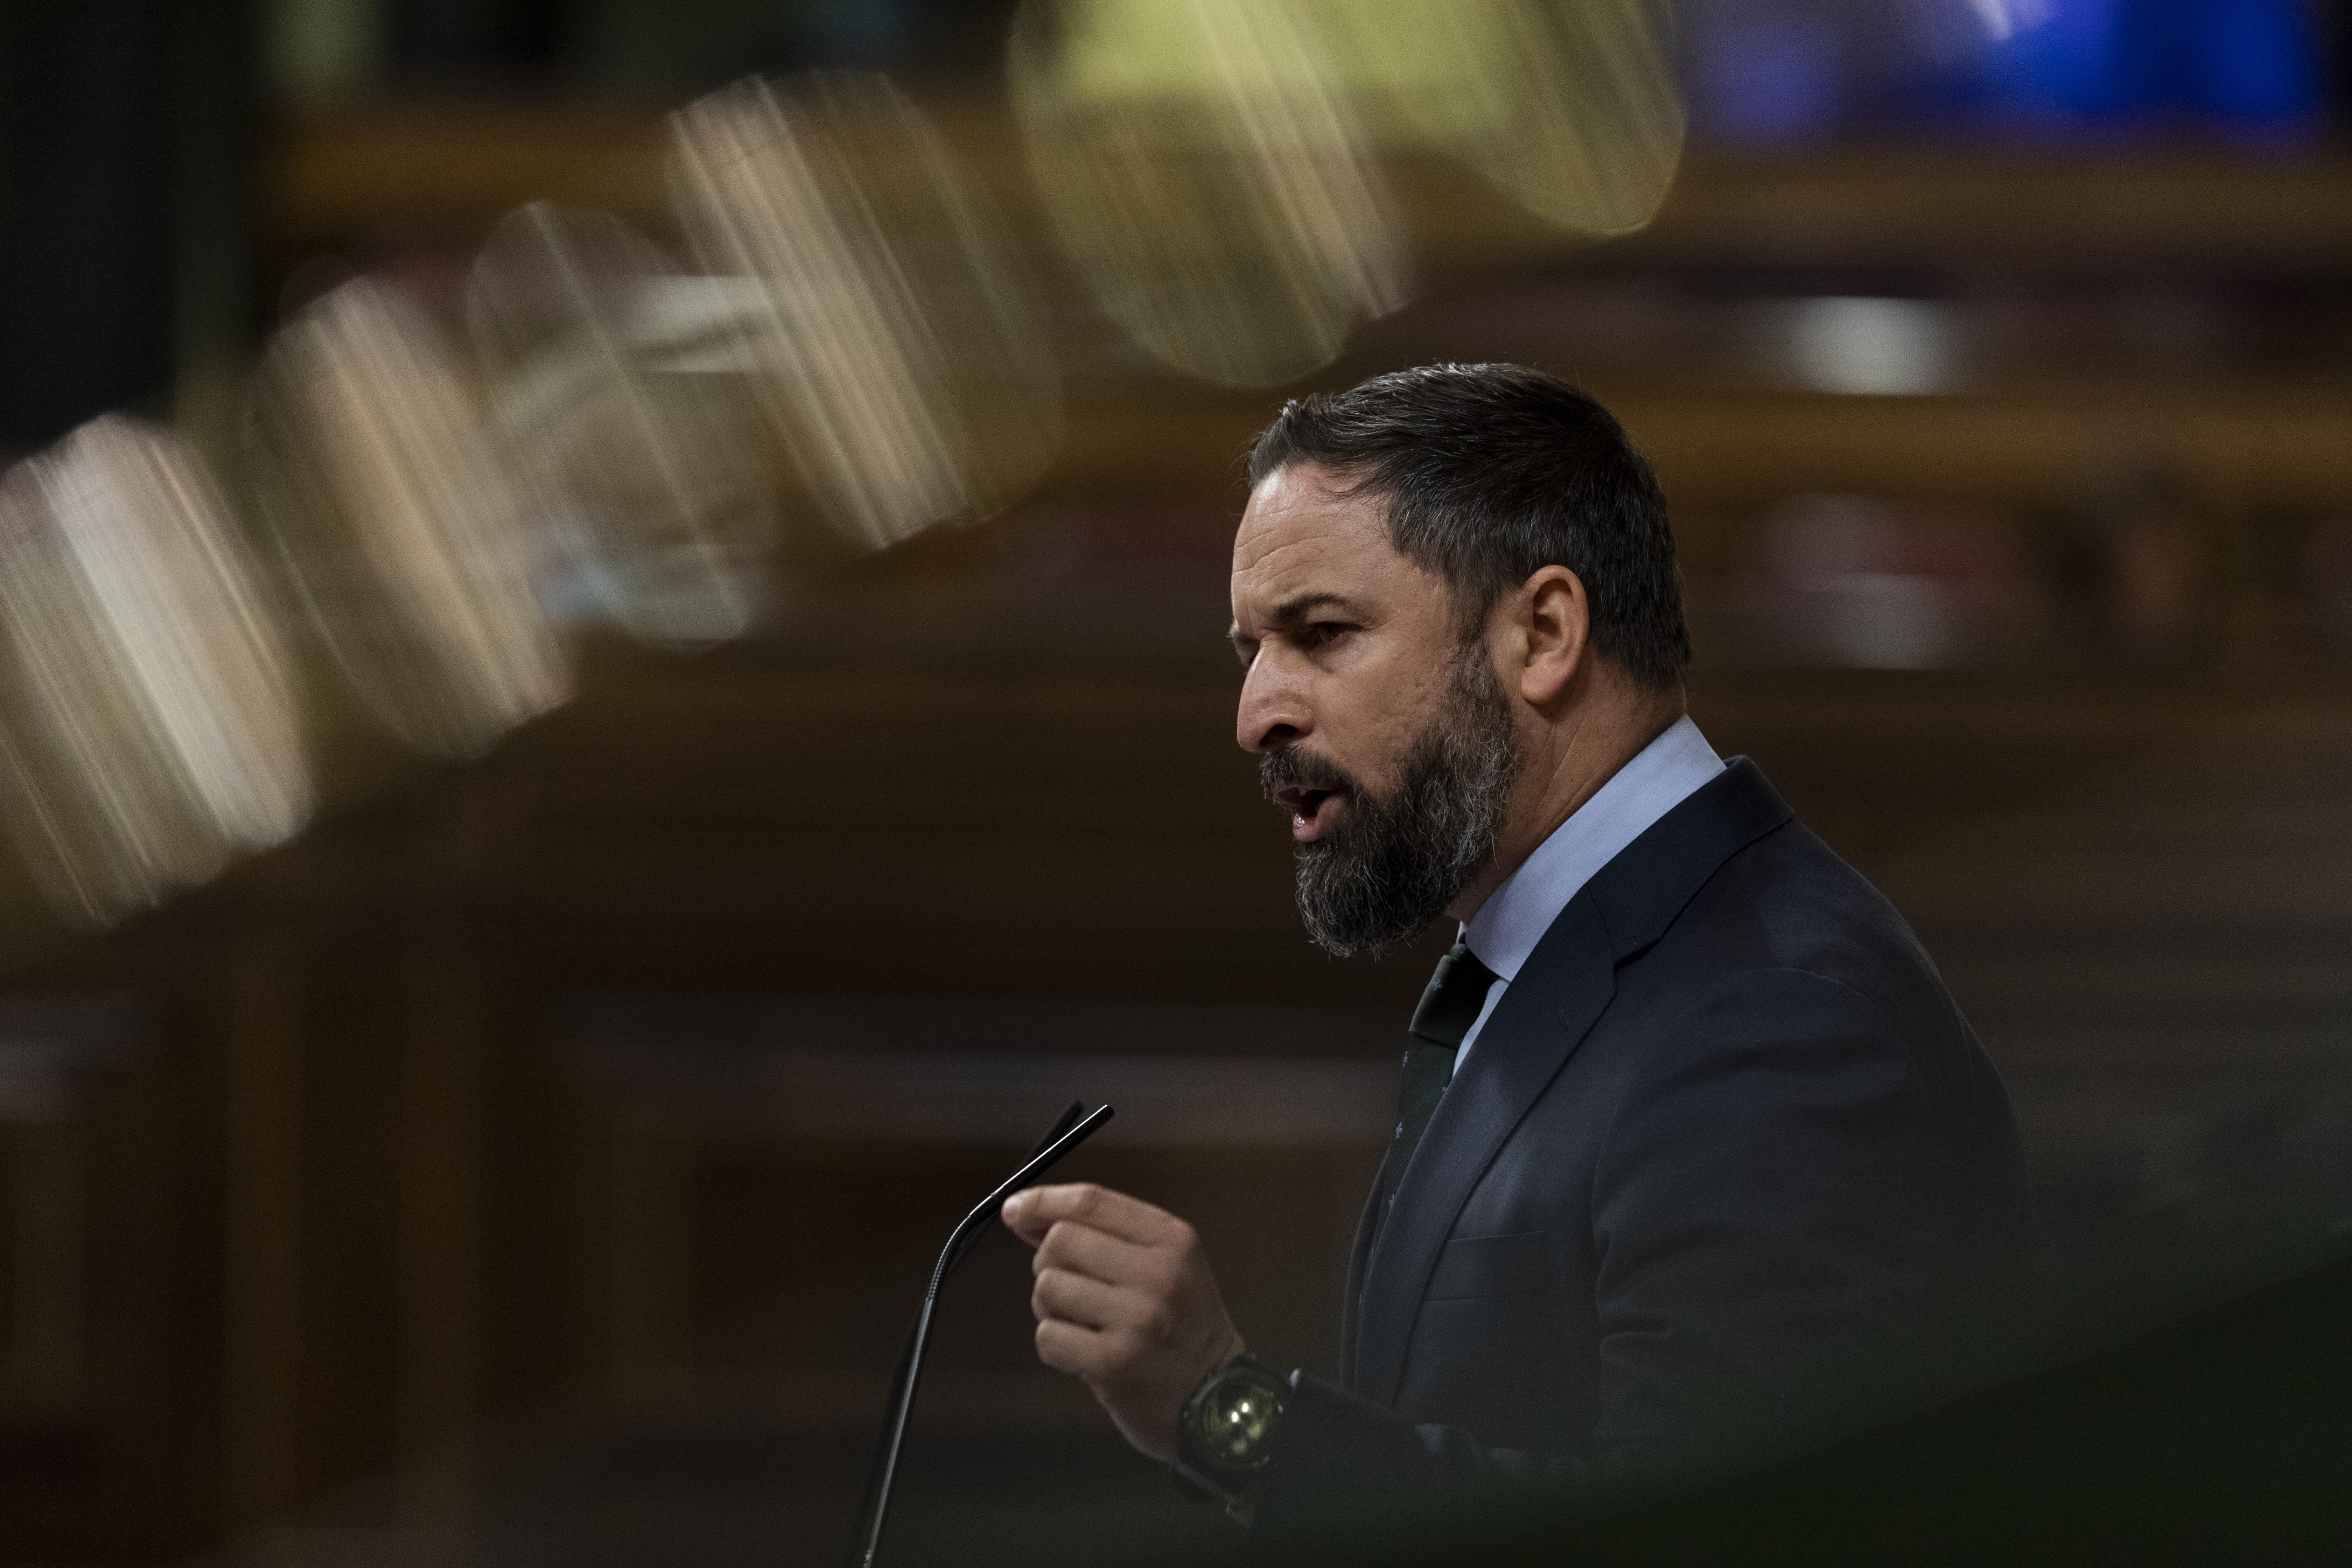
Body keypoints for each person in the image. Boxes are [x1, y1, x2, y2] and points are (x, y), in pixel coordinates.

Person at [1000, 364, 2028, 1531]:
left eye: (1322, 633)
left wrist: (1230, 1410)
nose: (1257, 713)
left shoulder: (1774, 1013)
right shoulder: (1573, 952)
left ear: (1542, 633)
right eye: (1251, 649)